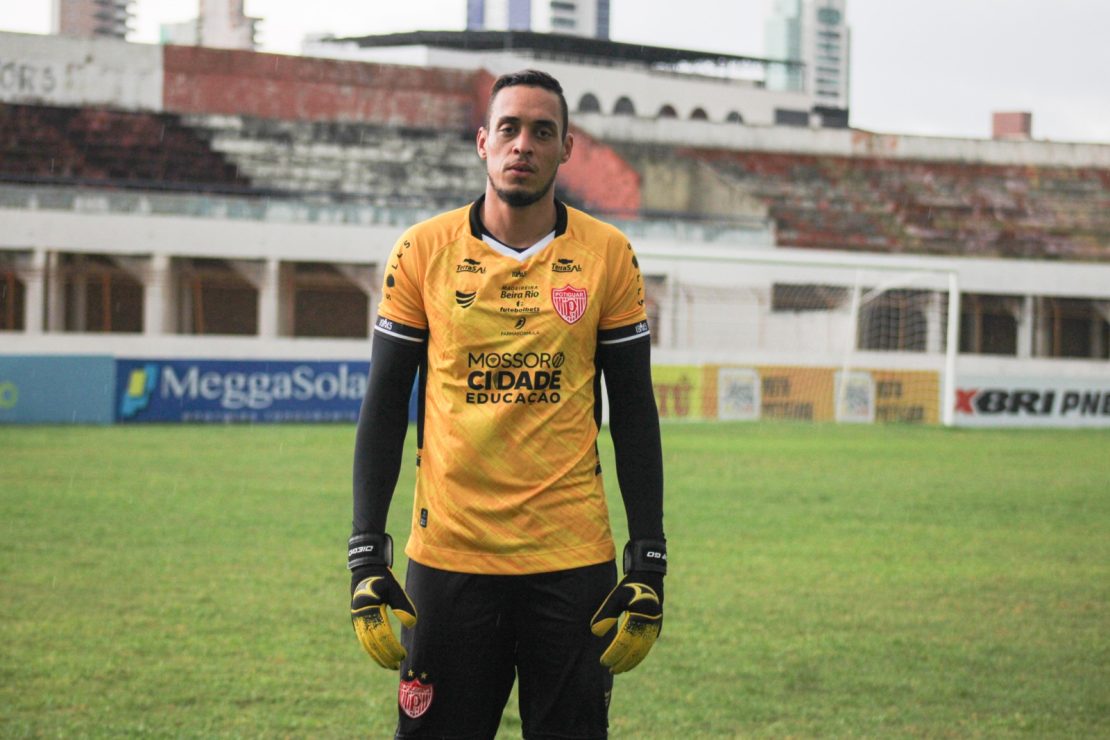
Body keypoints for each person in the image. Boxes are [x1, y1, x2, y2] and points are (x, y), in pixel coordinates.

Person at [347, 69, 666, 740]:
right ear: (483, 142)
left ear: (566, 148)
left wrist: (649, 557)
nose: (524, 144)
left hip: (573, 564)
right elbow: (382, 407)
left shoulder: (607, 255)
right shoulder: (422, 251)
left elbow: (634, 411)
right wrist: (365, 555)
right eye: (511, 129)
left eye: (542, 131)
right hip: (450, 560)